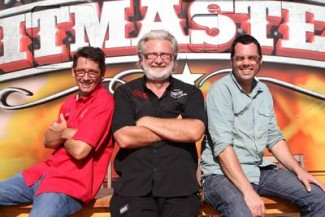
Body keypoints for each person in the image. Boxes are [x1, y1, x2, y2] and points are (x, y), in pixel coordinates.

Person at [200, 34, 325, 217]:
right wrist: (248, 192)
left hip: (258, 171)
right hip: (220, 175)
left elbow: (273, 137)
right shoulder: (220, 91)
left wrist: (299, 171)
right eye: (240, 58)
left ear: (260, 61)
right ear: (231, 61)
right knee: (241, 211)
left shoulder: (263, 91)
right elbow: (223, 147)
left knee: (318, 197)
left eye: (252, 58)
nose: (246, 63)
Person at [0, 46, 115, 217]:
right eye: (80, 71)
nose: (85, 77)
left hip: (68, 185)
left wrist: (63, 132)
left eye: (92, 72)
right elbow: (48, 141)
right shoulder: (69, 103)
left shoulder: (103, 102)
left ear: (102, 73)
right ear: (73, 72)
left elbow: (80, 151)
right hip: (41, 175)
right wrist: (67, 133)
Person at [110, 29, 207, 217]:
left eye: (165, 54)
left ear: (174, 58)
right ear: (141, 58)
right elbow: (124, 138)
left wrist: (144, 122)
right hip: (133, 191)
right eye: (152, 54)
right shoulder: (125, 93)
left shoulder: (191, 93)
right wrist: (176, 128)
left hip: (180, 191)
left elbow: (194, 131)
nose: (158, 60)